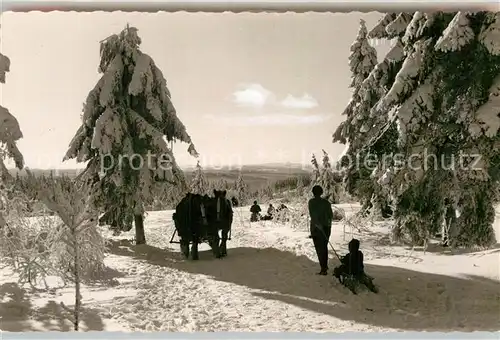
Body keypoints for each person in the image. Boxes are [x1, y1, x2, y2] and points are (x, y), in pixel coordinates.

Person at [308, 185, 334, 275]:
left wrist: (318, 225)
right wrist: (327, 224)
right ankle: (324, 266)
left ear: (313, 192)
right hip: (327, 228)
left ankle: (323, 268)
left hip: (316, 229)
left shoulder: (311, 202)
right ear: (321, 192)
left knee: (319, 249)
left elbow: (313, 215)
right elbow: (330, 216)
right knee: (324, 247)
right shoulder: (326, 203)